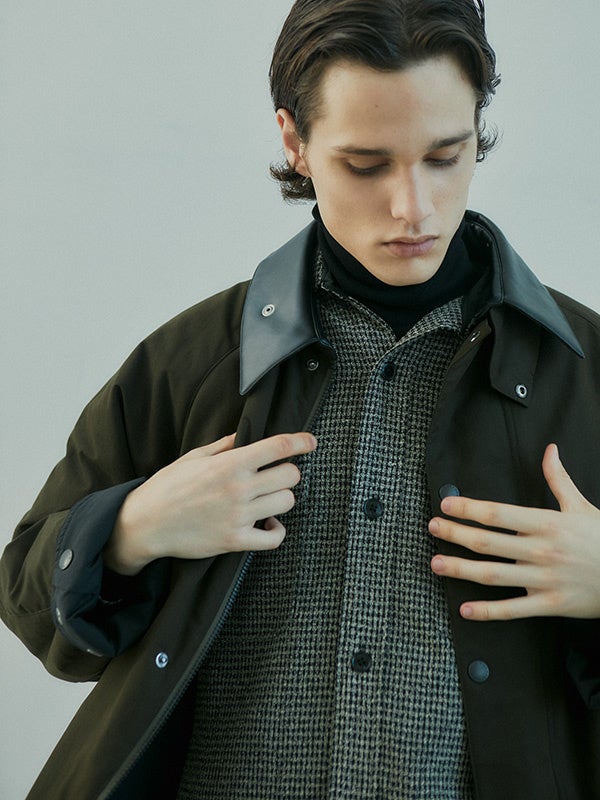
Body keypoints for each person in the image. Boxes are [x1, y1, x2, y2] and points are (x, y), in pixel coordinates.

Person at [2, 0, 600, 797]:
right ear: (294, 140)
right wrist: (130, 529)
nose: (413, 208)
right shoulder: (195, 362)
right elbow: (28, 599)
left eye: (445, 156)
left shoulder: (586, 370)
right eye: (367, 164)